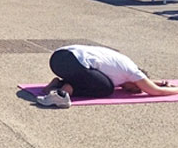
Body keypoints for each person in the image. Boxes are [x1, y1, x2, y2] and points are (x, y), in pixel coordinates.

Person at [37, 45, 178, 108]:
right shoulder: (132, 72)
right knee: (106, 88)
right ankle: (63, 92)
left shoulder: (125, 70)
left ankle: (57, 84)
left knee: (97, 80)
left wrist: (161, 82)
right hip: (73, 62)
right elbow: (155, 91)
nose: (127, 90)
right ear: (137, 81)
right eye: (134, 89)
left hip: (58, 59)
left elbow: (148, 83)